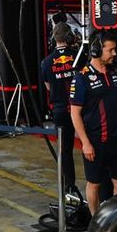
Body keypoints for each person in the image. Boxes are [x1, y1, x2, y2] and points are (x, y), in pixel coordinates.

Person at [69, 30, 117, 214]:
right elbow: (75, 113)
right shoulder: (81, 78)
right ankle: (95, 222)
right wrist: (86, 143)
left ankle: (115, 221)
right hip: (95, 142)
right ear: (96, 50)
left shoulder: (116, 71)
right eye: (110, 50)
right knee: (94, 184)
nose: (115, 54)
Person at [40, 22, 79, 193]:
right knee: (91, 145)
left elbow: (48, 87)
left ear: (53, 39)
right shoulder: (79, 56)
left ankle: (69, 186)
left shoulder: (46, 62)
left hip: (60, 110)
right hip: (81, 109)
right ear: (70, 37)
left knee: (65, 150)